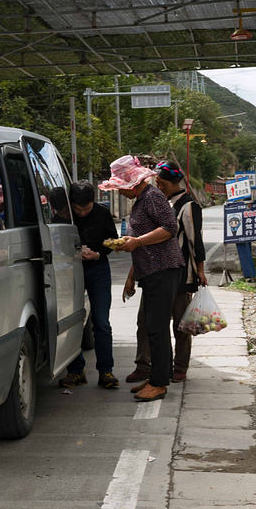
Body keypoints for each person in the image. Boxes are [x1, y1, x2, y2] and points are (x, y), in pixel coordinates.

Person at [100, 155, 183, 402]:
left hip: (163, 269)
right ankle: (158, 376)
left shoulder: (152, 197)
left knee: (156, 329)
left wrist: (137, 241)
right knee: (153, 327)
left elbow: (170, 228)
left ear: (131, 182)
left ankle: (158, 384)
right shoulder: (141, 199)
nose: (120, 192)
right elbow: (141, 240)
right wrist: (131, 272)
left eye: (121, 186)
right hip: (151, 271)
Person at [129, 161, 207, 386]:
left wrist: (200, 270)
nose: (159, 187)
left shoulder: (188, 205)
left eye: (162, 184)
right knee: (146, 321)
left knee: (180, 323)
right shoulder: (156, 200)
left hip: (181, 273)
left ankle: (179, 366)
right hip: (154, 270)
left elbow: (195, 241)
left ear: (175, 183)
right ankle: (143, 365)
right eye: (157, 183)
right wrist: (132, 275)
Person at [58, 182, 119, 389]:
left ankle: (106, 371)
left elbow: (113, 241)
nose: (82, 212)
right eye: (78, 209)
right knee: (72, 319)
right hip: (70, 271)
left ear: (94, 201)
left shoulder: (102, 213)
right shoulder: (63, 216)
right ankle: (76, 371)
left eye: (87, 208)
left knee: (101, 322)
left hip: (98, 269)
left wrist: (98, 254)